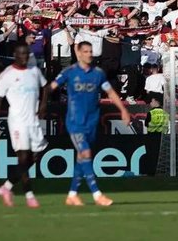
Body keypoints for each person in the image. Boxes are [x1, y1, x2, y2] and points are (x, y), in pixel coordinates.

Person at [40, 42, 131, 207]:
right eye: (86, 51)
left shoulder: (98, 74)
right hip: (75, 122)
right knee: (86, 153)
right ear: (79, 54)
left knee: (82, 158)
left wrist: (123, 110)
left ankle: (72, 195)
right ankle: (97, 195)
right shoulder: (70, 71)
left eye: (91, 51)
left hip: (92, 121)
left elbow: (110, 92)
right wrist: (43, 104)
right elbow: (50, 87)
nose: (89, 54)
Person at [0, 44, 48, 208]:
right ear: (14, 55)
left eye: (26, 54)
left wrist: (43, 105)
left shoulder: (34, 71)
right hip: (17, 121)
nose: (24, 57)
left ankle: (6, 187)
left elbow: (45, 87)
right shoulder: (7, 75)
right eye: (21, 54)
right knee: (22, 158)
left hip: (33, 120)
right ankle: (29, 195)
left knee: (35, 157)